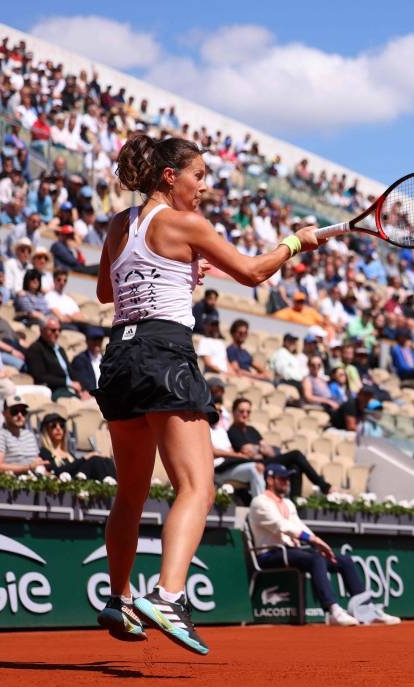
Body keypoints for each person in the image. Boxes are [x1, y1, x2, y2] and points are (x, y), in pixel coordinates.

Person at [92, 133, 322, 652]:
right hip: (163, 354)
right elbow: (253, 272)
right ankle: (168, 597)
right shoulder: (186, 223)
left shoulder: (117, 225)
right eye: (199, 176)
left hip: (119, 359)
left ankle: (119, 598)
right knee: (197, 487)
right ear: (170, 176)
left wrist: (179, 269)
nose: (205, 187)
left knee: (129, 494)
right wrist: (295, 243)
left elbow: (108, 292)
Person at [248, 464, 400, 625]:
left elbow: (299, 526)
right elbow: (282, 526)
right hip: (269, 554)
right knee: (315, 559)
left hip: (292, 551)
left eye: (288, 479)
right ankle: (332, 610)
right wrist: (314, 541)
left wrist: (320, 544)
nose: (287, 482)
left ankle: (366, 609)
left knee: (343, 561)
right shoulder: (259, 502)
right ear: (270, 480)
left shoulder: (288, 503)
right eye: (282, 478)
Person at [228, 397, 332, 495]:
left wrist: (258, 449)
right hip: (252, 465)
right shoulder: (232, 431)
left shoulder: (252, 430)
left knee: (295, 467)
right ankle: (324, 486)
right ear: (234, 412)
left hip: (265, 461)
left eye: (248, 412)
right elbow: (249, 452)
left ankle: (294, 502)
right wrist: (261, 449)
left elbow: (270, 452)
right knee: (296, 455)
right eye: (241, 411)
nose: (245, 414)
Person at [25, 318, 91, 401]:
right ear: (42, 330)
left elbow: (70, 371)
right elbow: (39, 376)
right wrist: (68, 383)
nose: (57, 333)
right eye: (53, 330)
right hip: (55, 389)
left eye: (59, 330)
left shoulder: (60, 349)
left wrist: (83, 389)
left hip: (70, 388)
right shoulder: (35, 349)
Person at [38, 413, 116, 480]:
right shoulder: (44, 452)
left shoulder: (68, 453)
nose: (58, 428)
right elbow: (57, 471)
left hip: (83, 479)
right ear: (46, 430)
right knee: (95, 460)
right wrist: (84, 458)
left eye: (61, 425)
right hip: (70, 483)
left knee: (106, 460)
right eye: (53, 425)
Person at [209, 403, 264, 501]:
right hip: (217, 470)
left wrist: (237, 455)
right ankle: (260, 507)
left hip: (228, 466)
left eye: (219, 411)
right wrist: (238, 455)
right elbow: (213, 452)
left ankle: (261, 504)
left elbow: (230, 450)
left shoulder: (221, 431)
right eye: (215, 410)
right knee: (255, 468)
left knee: (259, 467)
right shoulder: (204, 429)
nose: (217, 413)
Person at [0, 395, 47, 474]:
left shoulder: (29, 435)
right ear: (4, 414)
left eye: (23, 412)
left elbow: (36, 461)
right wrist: (28, 468)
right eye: (14, 411)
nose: (20, 415)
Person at [70, 326, 105, 392]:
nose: (97, 343)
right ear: (87, 341)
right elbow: (83, 382)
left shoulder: (106, 359)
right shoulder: (79, 360)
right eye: (94, 339)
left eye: (99, 340)